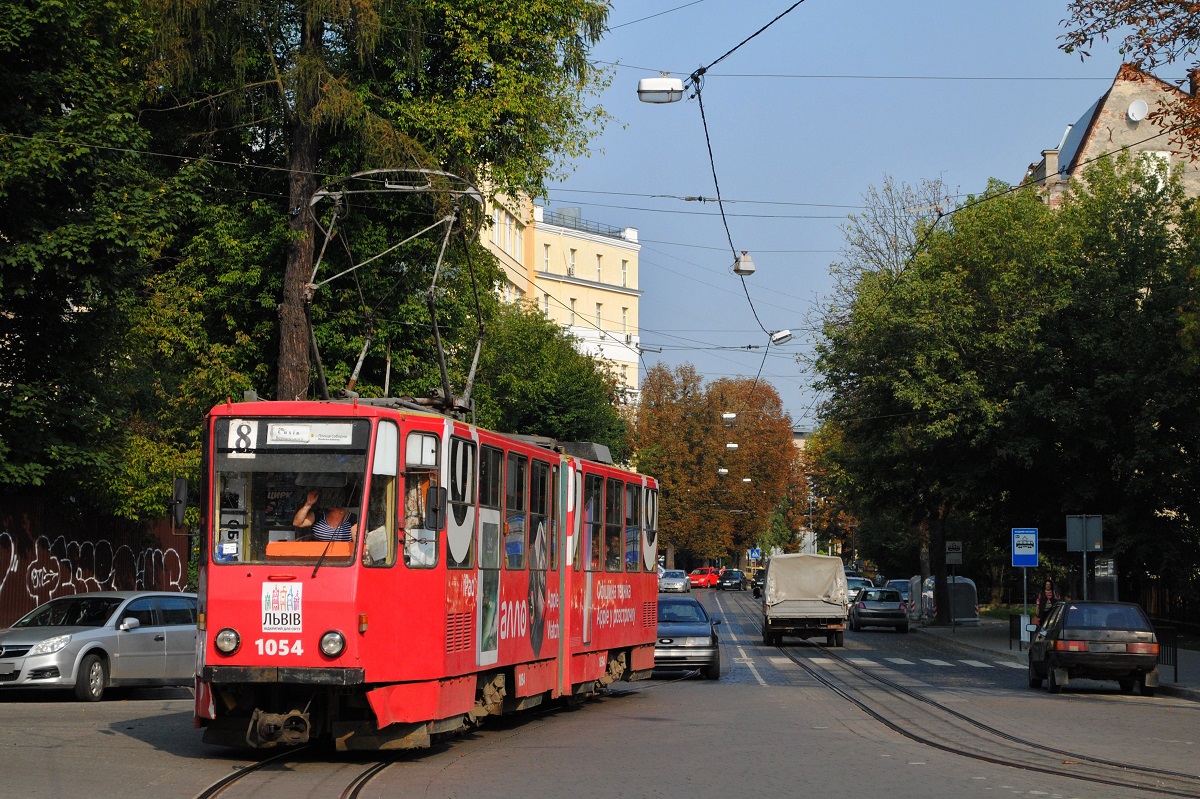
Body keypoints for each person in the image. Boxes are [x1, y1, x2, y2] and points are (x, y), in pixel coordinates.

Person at [293, 489, 357, 541]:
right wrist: (308, 504)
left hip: (344, 555)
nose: (331, 502)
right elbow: (298, 523)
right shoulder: (318, 514)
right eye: (328, 498)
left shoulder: (352, 519)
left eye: (334, 498)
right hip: (318, 555)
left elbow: (357, 542)